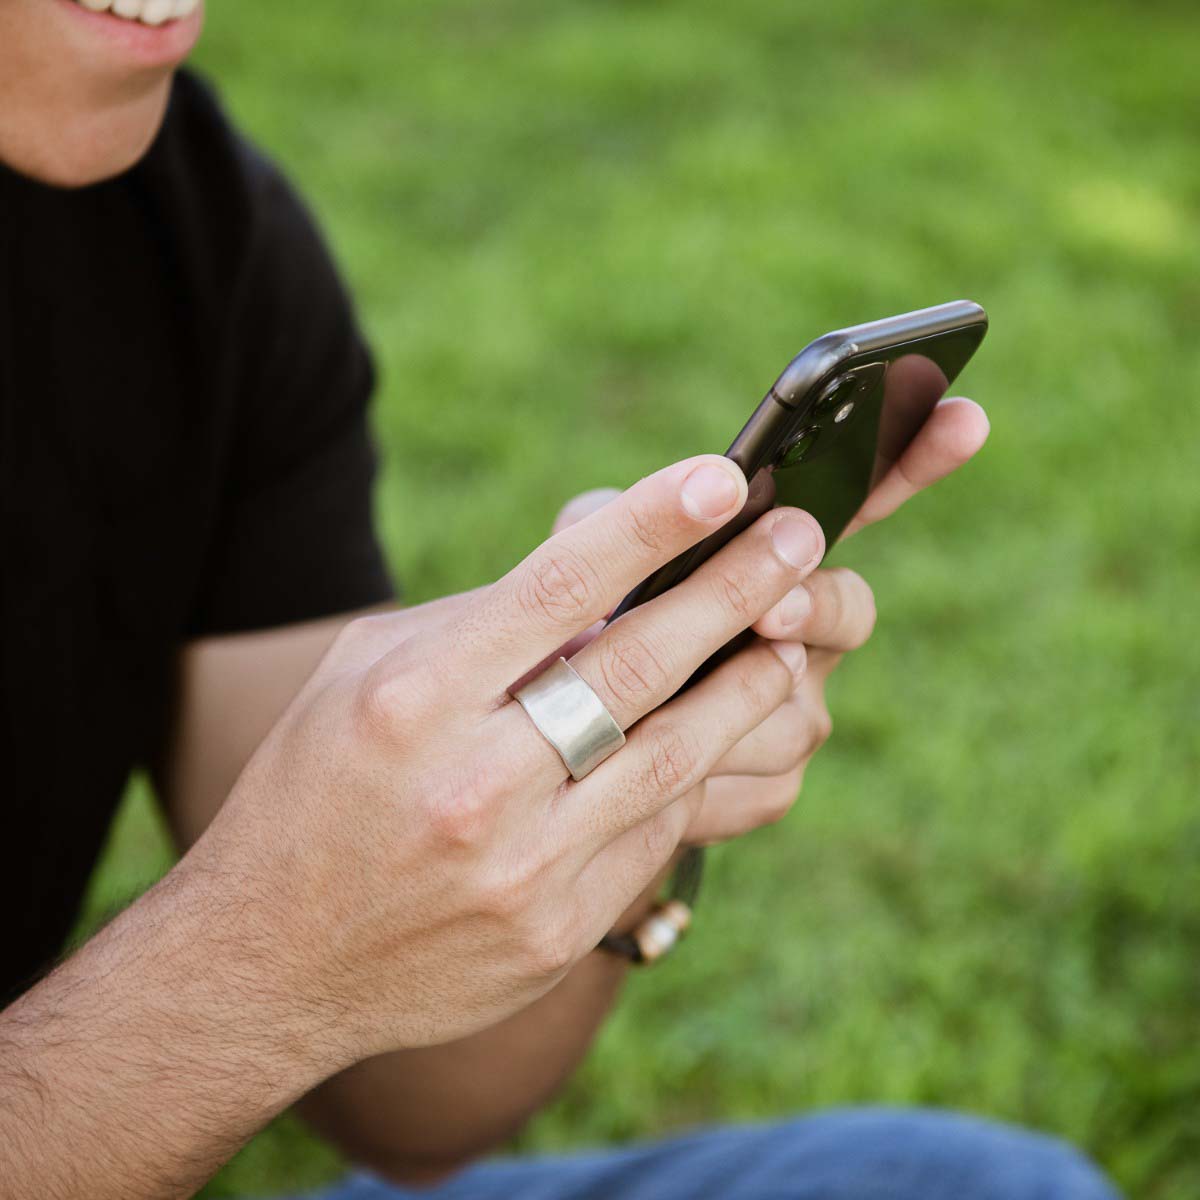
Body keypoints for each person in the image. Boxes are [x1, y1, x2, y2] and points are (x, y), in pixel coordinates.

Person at [0, 2, 1120, 1198]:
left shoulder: (194, 231)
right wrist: (249, 963)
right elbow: (272, 983)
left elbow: (404, 1101)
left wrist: (629, 761)